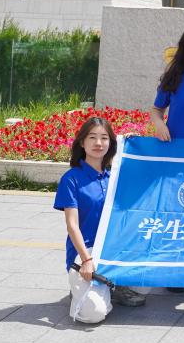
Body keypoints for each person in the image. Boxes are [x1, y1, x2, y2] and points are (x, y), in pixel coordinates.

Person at [54, 117, 146, 323]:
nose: (98, 143)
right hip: (87, 252)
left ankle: (110, 286)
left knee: (146, 283)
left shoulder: (114, 176)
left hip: (113, 249)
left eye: (104, 138)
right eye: (92, 137)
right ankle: (92, 288)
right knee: (93, 314)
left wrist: (132, 145)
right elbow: (72, 225)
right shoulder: (71, 179)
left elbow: (144, 175)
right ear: (82, 142)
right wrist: (86, 260)